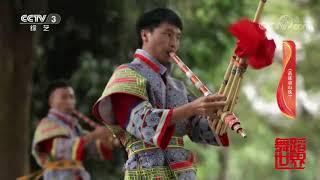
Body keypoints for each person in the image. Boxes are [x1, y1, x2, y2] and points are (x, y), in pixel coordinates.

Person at [92, 8, 239, 179]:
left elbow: (196, 127)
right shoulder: (126, 75)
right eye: (168, 34)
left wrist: (216, 114)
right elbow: (144, 122)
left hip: (182, 172)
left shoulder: (177, 86)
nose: (174, 43)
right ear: (145, 35)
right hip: (146, 171)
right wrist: (192, 108)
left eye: (178, 37)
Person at [31, 81, 115, 180]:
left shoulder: (74, 126)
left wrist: (107, 139)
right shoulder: (46, 125)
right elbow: (61, 149)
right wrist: (94, 135)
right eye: (64, 97)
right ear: (51, 102)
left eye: (71, 97)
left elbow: (91, 149)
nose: (69, 101)